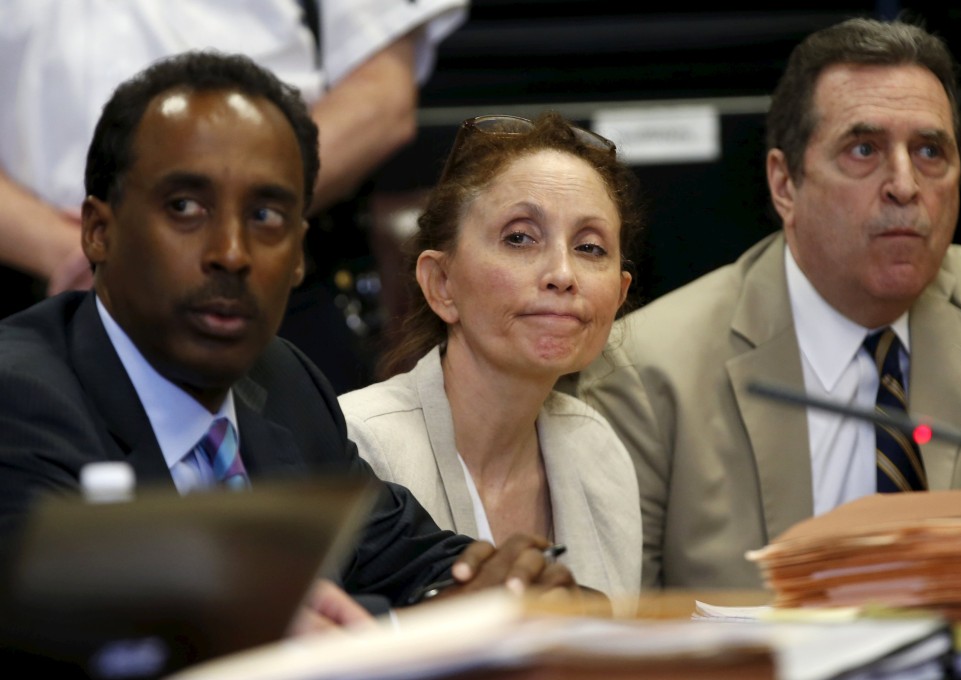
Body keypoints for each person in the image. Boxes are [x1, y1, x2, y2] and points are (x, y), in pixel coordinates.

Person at [0, 51, 576, 667]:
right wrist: (413, 622)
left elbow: (406, 556)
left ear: (299, 255)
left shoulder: (283, 381)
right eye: (185, 208)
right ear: (98, 232)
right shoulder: (20, 397)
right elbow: (95, 632)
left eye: (266, 216)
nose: (231, 253)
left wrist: (494, 583)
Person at [573, 17, 961, 590]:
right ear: (785, 185)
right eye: (865, 149)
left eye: (930, 150)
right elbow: (618, 635)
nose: (905, 184)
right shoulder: (647, 372)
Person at [0, 0, 468, 391]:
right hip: (36, 280)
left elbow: (381, 96)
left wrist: (251, 216)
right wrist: (73, 250)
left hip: (270, 291)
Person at [338, 112, 643, 606]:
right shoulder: (359, 444)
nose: (563, 274)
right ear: (442, 284)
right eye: (519, 237)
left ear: (619, 295)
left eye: (590, 247)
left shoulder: (598, 448)